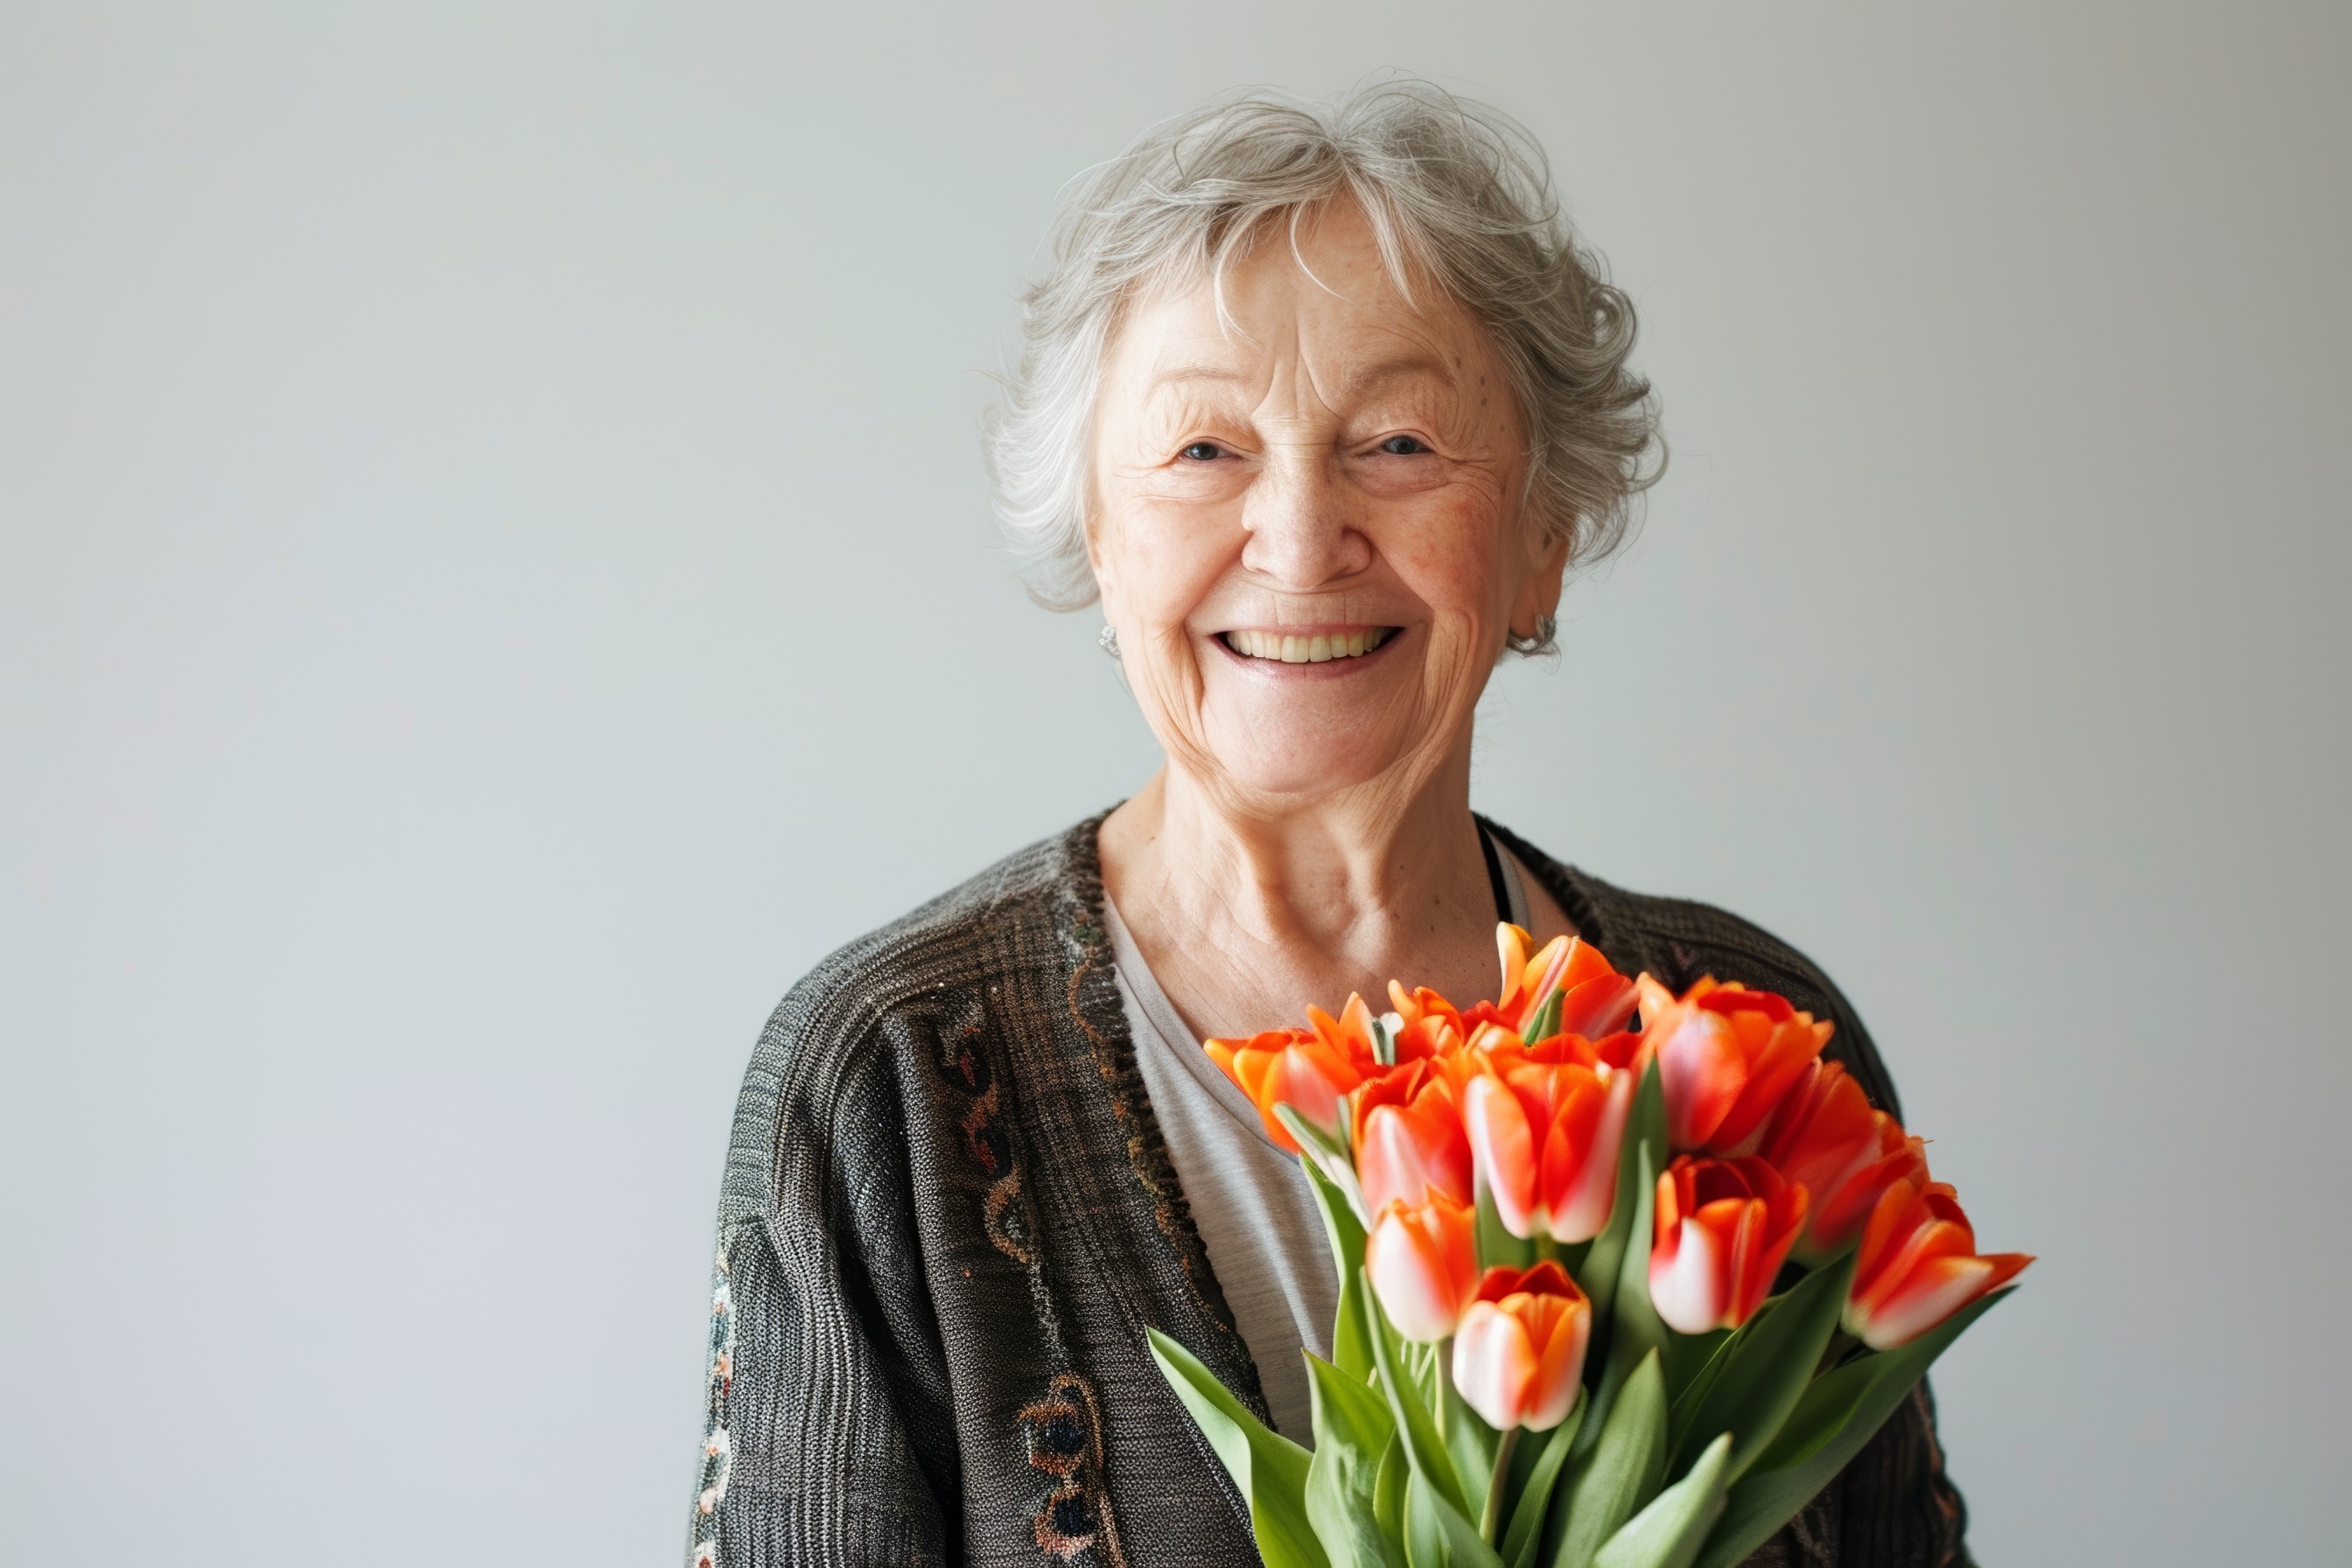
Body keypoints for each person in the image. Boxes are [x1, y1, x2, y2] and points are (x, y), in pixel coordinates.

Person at [686, 84, 1971, 1568]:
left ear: (1544, 538)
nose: (1299, 539)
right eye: (1203, 453)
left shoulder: (1758, 1055)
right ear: (1101, 548)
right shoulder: (888, 1088)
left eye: (1403, 442)